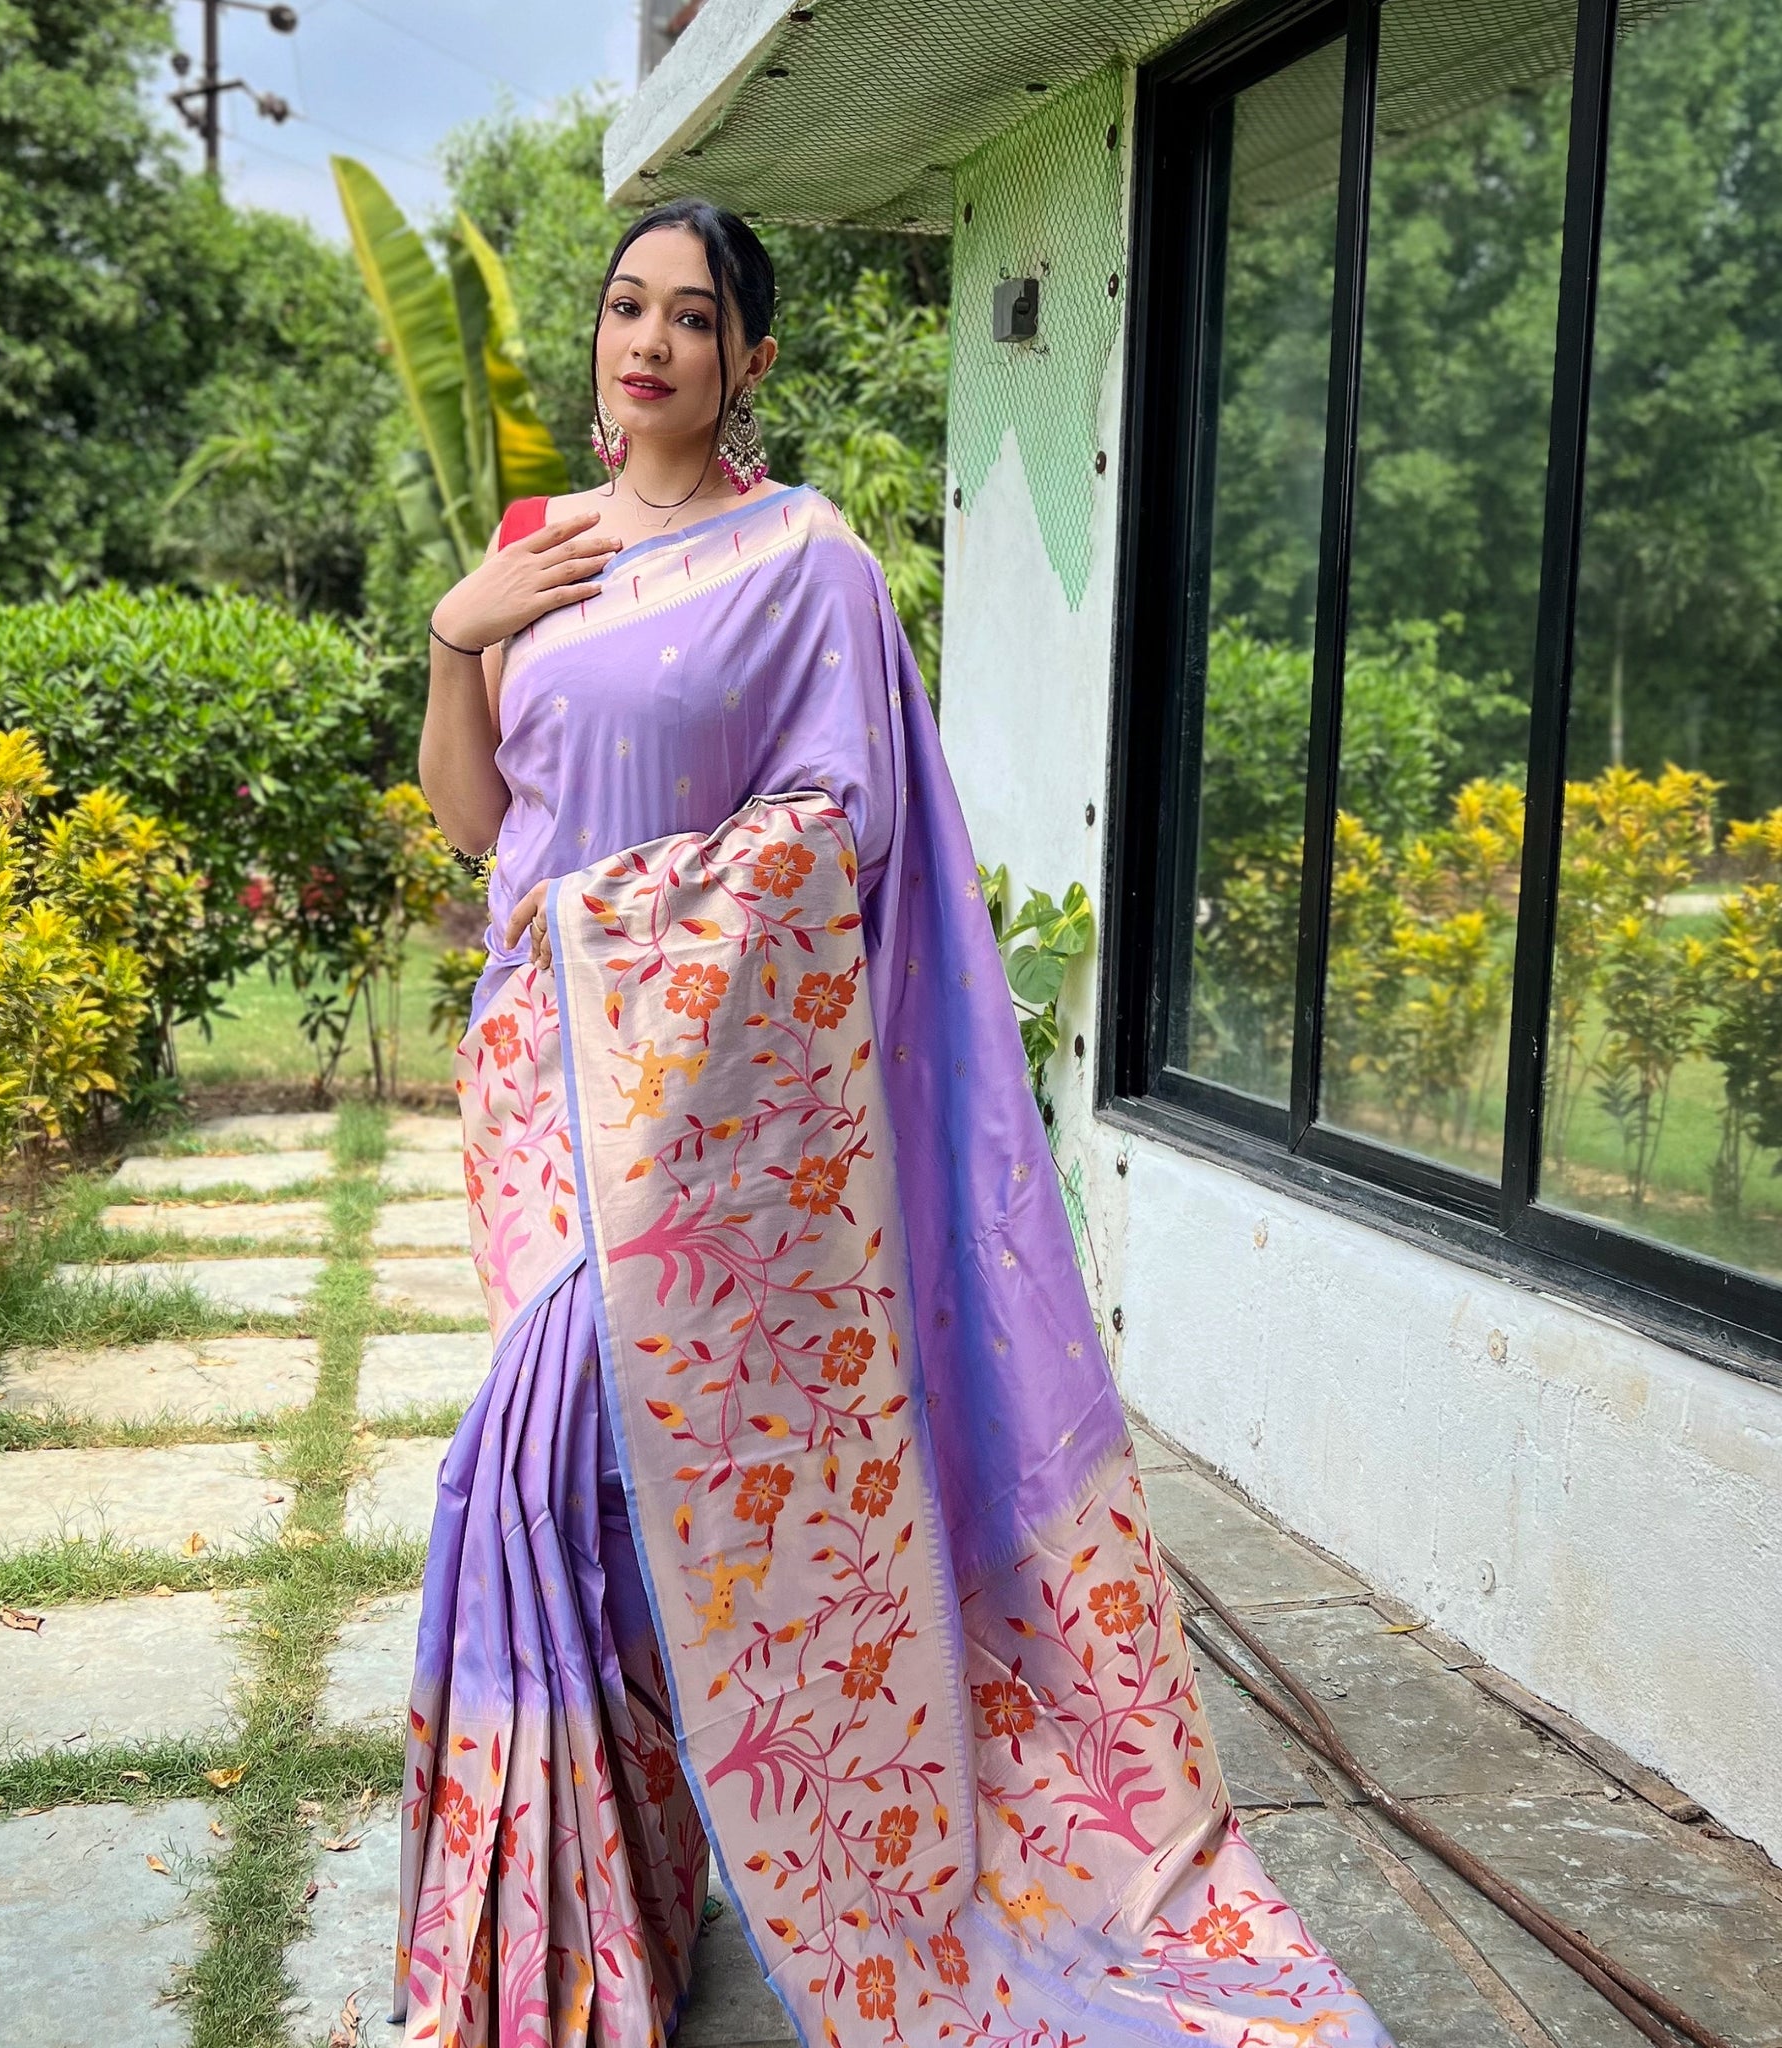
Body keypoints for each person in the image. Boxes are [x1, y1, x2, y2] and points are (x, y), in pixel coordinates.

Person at [401, 199, 1390, 2048]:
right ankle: (586, 1892)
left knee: (594, 1471)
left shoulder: (805, 563)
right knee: (555, 1461)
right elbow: (480, 827)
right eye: (627, 306)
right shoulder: (531, 549)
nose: (651, 341)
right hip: (535, 1078)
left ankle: (643, 1873)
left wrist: (646, 940)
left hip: (693, 1101)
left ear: (750, 361)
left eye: (695, 317)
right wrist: (460, 641)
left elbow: (839, 837)